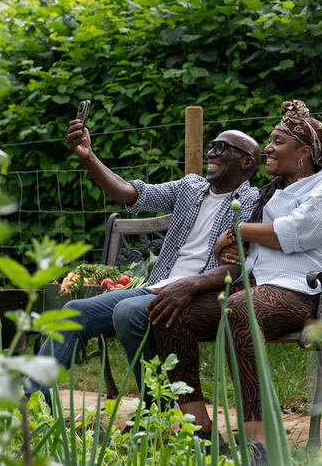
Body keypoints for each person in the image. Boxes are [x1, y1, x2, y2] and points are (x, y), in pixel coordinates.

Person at [27, 112, 262, 434]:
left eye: (222, 148)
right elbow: (129, 194)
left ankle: (156, 415)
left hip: (205, 294)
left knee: (129, 311)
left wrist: (190, 284)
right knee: (72, 311)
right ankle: (31, 405)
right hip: (160, 286)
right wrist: (88, 156)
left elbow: (242, 264)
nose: (211, 153)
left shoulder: (253, 201)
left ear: (247, 162)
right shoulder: (190, 188)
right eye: (210, 146)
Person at [151, 100, 322, 464]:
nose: (269, 148)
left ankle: (258, 439)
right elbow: (254, 248)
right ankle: (197, 427)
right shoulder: (272, 192)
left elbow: (297, 232)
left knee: (239, 307)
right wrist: (238, 250)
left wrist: (236, 231)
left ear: (304, 152)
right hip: (261, 288)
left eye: (278, 142)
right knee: (170, 310)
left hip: (312, 293)